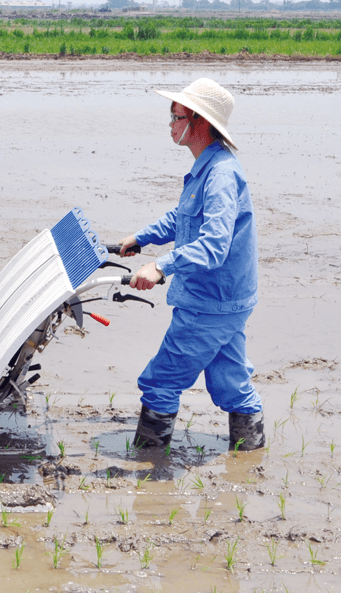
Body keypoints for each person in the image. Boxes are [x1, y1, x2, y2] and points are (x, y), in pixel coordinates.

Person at [111, 77, 264, 452]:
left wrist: (161, 267)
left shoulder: (222, 175)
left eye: (175, 115)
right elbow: (183, 217)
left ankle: (148, 471)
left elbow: (213, 245)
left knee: (161, 381)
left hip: (209, 302)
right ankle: (250, 464)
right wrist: (141, 238)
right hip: (227, 299)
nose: (170, 123)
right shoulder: (207, 168)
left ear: (198, 122)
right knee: (231, 384)